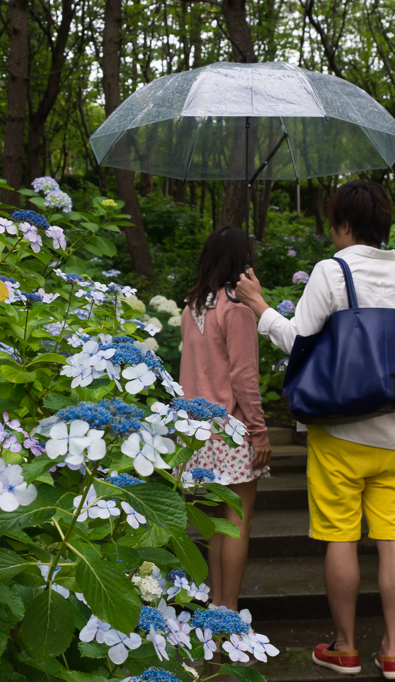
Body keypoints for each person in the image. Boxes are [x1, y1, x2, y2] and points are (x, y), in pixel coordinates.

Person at [235, 180, 395, 680]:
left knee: (341, 538)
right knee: (394, 537)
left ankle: (344, 647)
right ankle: (393, 651)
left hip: (340, 434)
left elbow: (297, 339)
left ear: (343, 224)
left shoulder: (333, 270)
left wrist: (259, 306)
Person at [180, 225, 272, 613]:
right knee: (237, 524)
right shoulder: (237, 311)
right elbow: (243, 377)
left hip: (197, 434)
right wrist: (260, 432)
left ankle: (217, 607)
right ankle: (229, 611)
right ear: (242, 263)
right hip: (232, 434)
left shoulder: (192, 307)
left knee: (217, 525)